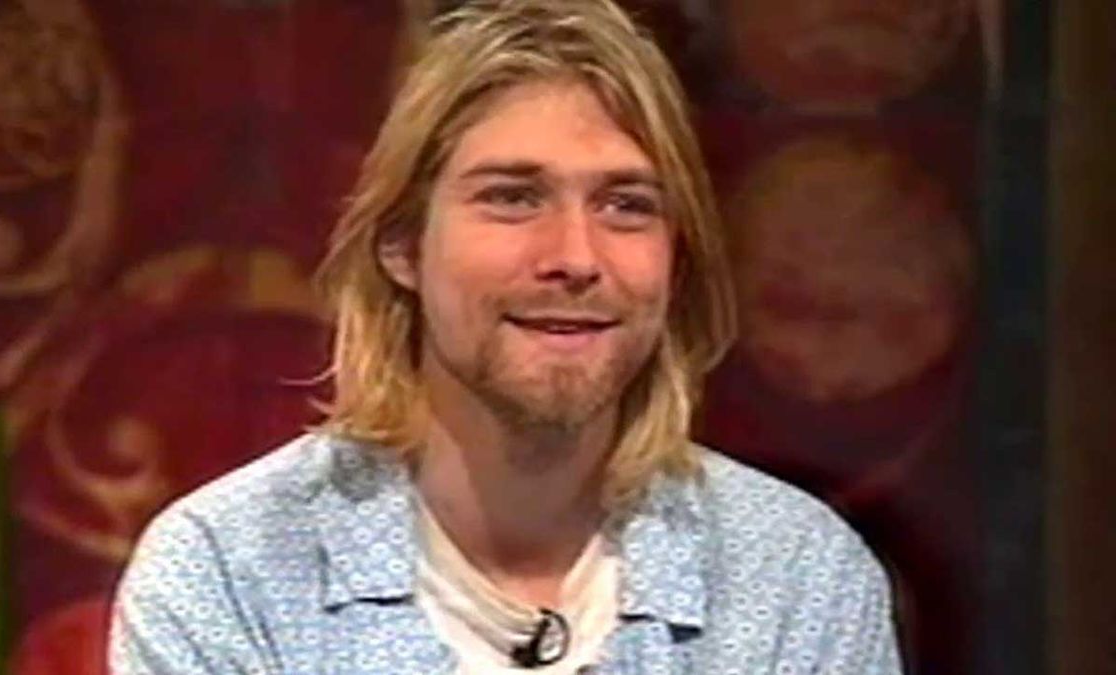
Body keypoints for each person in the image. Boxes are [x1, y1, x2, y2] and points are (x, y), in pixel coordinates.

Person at [109, 0, 902, 672]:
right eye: (514, 197)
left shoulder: (799, 579)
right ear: (402, 245)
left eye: (626, 205)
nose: (576, 257)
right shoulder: (227, 572)